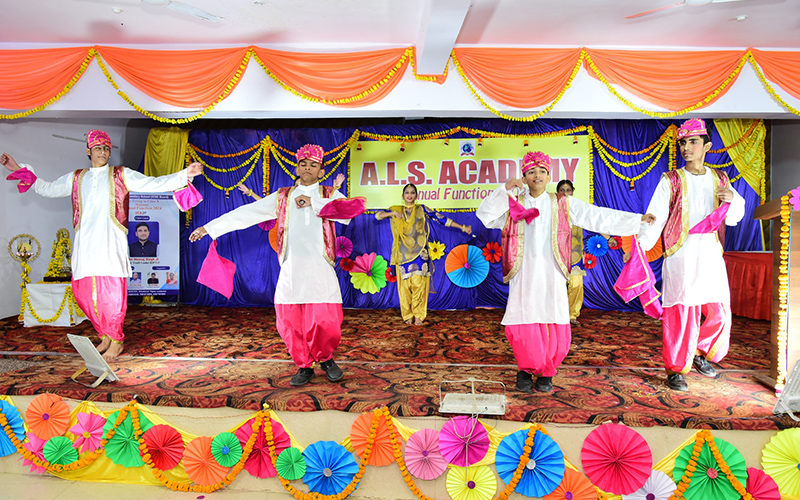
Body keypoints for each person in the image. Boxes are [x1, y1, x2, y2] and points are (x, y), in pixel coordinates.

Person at [1, 129, 202, 362]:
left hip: (110, 244)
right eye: (98, 148)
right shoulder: (76, 177)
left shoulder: (121, 174)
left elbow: (153, 183)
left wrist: (184, 175)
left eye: (106, 148)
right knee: (84, 295)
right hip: (85, 245)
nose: (103, 152)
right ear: (88, 151)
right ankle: (104, 334)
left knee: (112, 296)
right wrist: (17, 169)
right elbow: (47, 189)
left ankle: (116, 339)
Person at [476, 151, 655, 393]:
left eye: (542, 171)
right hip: (524, 272)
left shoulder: (562, 202)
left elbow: (595, 216)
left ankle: (547, 370)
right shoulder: (513, 202)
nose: (537, 175)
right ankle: (525, 369)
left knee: (553, 317)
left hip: (552, 272)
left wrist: (636, 220)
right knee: (524, 318)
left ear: (549, 176)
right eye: (531, 172)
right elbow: (485, 216)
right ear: (524, 177)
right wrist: (504, 190)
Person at [189, 144, 364, 387]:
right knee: (290, 322)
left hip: (320, 268)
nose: (308, 168)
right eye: (303, 164)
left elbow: (351, 211)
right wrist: (210, 228)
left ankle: (326, 359)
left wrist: (312, 203)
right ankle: (304, 365)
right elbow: (247, 213)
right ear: (297, 168)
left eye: (313, 165)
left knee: (326, 321)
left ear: (321, 171)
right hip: (292, 267)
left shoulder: (329, 194)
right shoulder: (283, 196)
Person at [633, 118, 745, 392]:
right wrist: (641, 246)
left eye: (693, 141)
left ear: (707, 145)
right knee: (682, 313)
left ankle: (699, 351)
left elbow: (734, 217)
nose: (686, 147)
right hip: (681, 254)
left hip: (710, 252)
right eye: (682, 142)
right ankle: (675, 369)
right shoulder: (671, 180)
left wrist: (732, 199)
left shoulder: (720, 179)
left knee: (719, 311)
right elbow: (656, 216)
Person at [375, 183, 471, 325]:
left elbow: (441, 218)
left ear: (416, 195)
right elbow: (378, 216)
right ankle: (407, 316)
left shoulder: (422, 209)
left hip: (420, 253)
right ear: (403, 196)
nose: (409, 195)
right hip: (402, 254)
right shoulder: (396, 209)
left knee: (420, 285)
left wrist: (462, 227)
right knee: (404, 287)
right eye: (407, 192)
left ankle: (419, 315)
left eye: (412, 192)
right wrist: (392, 214)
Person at [556, 179, 620, 326]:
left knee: (576, 286)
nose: (565, 193)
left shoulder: (578, 210)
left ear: (573, 191)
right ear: (557, 193)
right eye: (562, 190)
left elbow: (594, 223)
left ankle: (572, 315)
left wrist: (608, 238)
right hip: (556, 254)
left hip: (575, 256)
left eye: (568, 190)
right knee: (555, 287)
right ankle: (555, 314)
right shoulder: (553, 210)